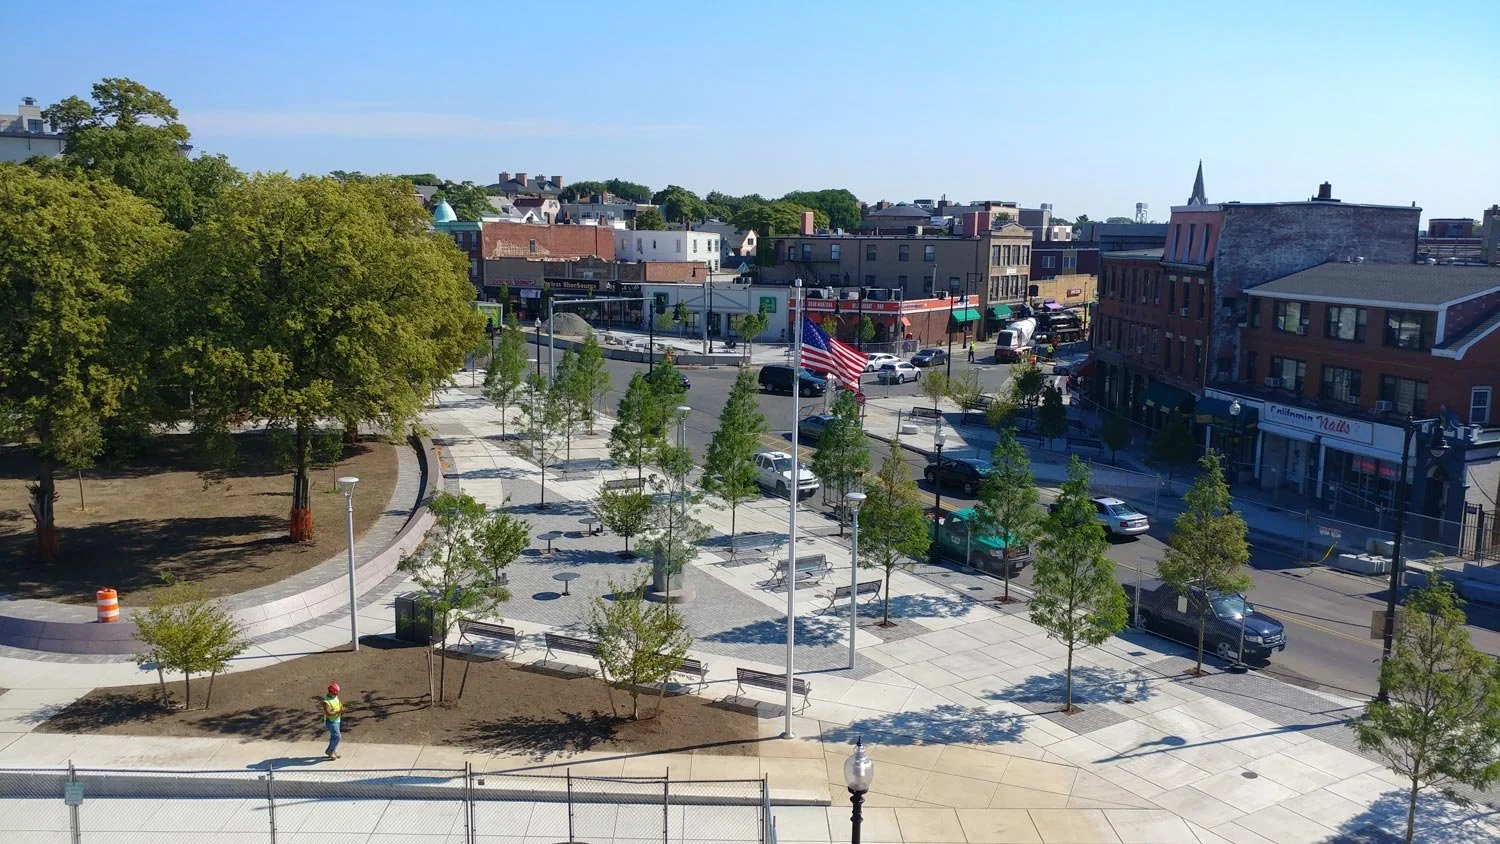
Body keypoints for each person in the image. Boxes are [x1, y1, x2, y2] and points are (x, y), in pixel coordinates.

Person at [322, 683, 343, 759]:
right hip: (331, 722)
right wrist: (338, 712)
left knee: (334, 737)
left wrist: (342, 709)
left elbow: (338, 704)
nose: (336, 695)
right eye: (334, 693)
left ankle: (333, 749)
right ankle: (330, 751)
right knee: (337, 736)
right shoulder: (326, 702)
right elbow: (328, 714)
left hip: (337, 720)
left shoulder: (335, 697)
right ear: (330, 692)